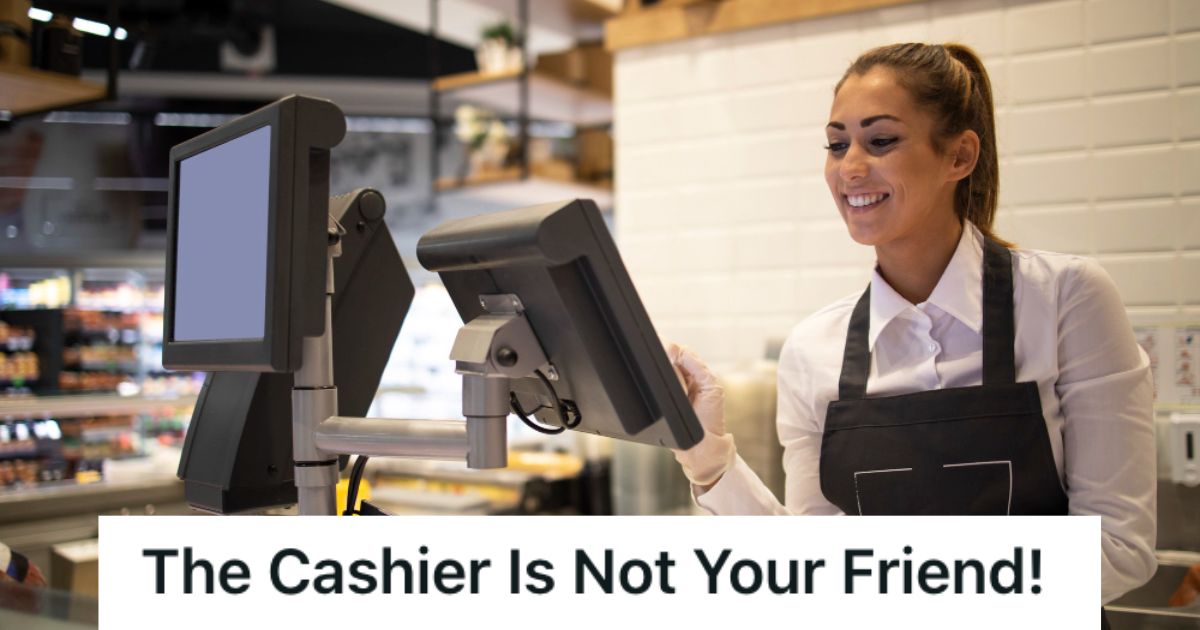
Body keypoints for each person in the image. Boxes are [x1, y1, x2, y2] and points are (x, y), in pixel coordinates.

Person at [666, 42, 1157, 608]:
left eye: (881, 141)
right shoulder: (813, 349)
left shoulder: (1066, 299)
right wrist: (706, 456)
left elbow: (1119, 547)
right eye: (836, 144)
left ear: (959, 156)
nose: (849, 166)